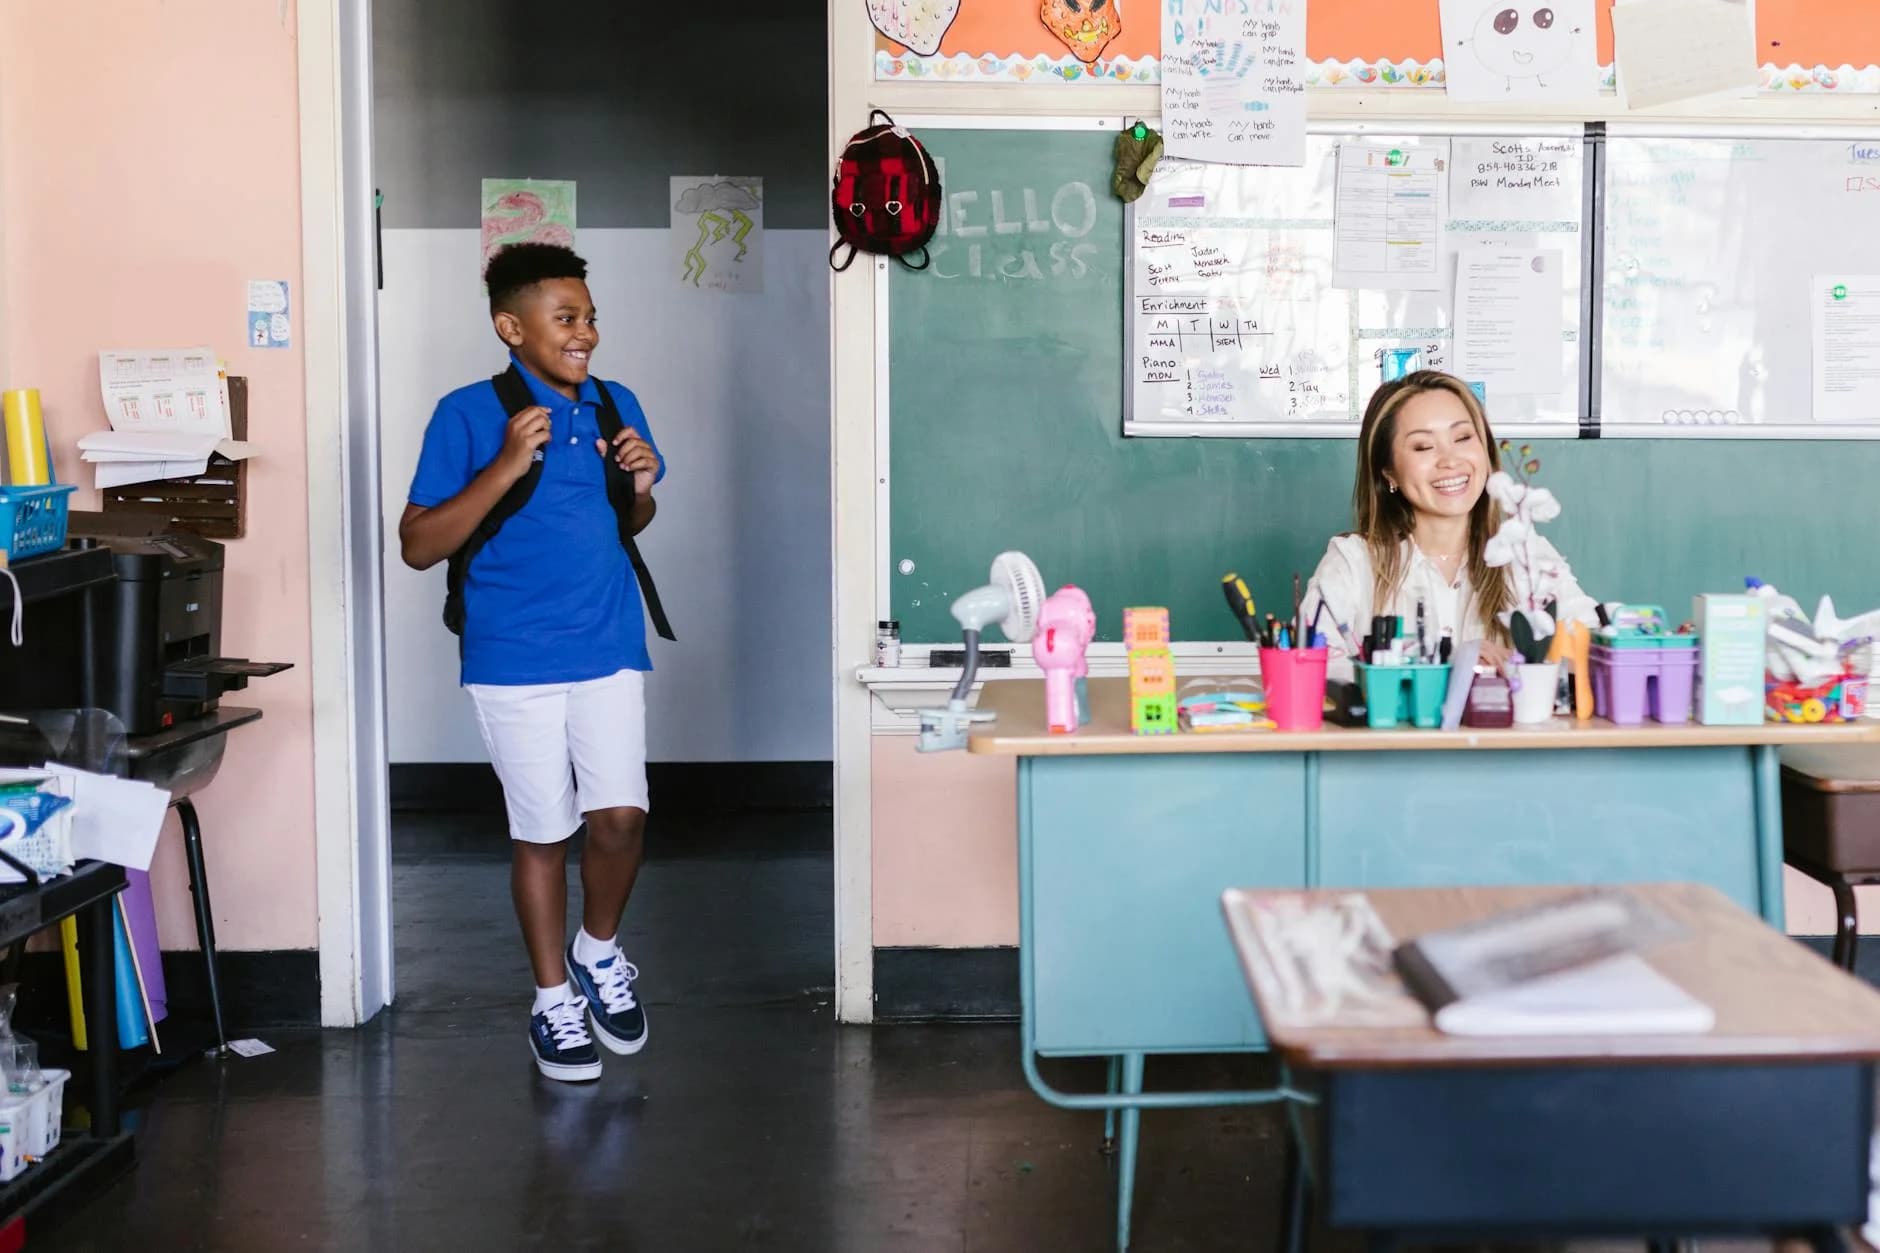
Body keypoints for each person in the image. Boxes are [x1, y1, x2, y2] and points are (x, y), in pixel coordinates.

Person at [399, 242, 663, 1082]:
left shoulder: (618, 404)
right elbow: (416, 544)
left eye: (589, 315)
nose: (586, 331)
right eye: (566, 318)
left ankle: (598, 950)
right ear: (511, 327)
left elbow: (628, 519)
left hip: (609, 640)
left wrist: (644, 482)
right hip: (512, 654)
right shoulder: (467, 414)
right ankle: (553, 999)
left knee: (620, 817)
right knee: (544, 829)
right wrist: (508, 463)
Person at [1305, 370, 1596, 679]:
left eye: (1462, 438)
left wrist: (1518, 664)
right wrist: (1445, 667)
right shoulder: (1353, 562)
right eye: (1423, 447)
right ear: (1388, 472)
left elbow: (1594, 651)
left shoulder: (1525, 554)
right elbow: (1307, 664)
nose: (1450, 460)